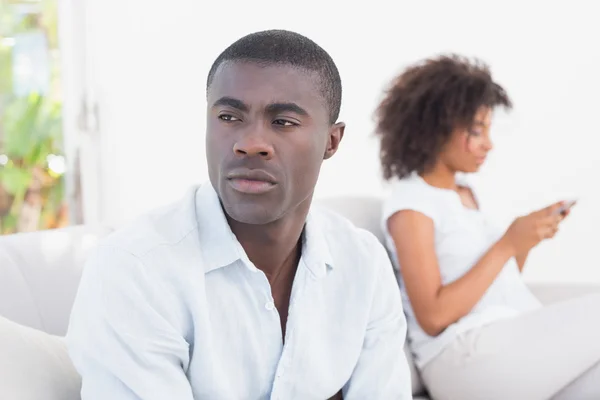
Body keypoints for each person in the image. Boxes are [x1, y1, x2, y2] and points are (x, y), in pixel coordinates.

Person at [66, 30, 412, 400]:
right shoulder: (134, 268)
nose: (250, 143)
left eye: (283, 122)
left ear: (332, 141)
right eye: (229, 116)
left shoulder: (363, 263)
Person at [375, 54, 600, 400]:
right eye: (476, 131)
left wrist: (524, 241)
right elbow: (433, 316)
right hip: (462, 358)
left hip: (508, 339)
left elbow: (498, 286)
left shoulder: (470, 193)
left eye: (488, 129)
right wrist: (508, 244)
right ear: (434, 130)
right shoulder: (412, 204)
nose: (488, 144)